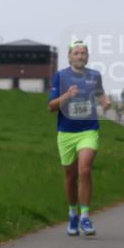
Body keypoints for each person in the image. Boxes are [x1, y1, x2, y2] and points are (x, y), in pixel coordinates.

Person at [47, 40, 111, 236]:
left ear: (88, 56)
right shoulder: (61, 76)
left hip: (88, 130)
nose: (80, 56)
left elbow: (100, 96)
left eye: (83, 53)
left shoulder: (94, 76)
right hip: (66, 132)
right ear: (69, 57)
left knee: (84, 169)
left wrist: (105, 102)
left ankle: (85, 216)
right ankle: (72, 213)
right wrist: (66, 96)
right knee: (70, 175)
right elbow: (51, 107)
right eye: (76, 53)